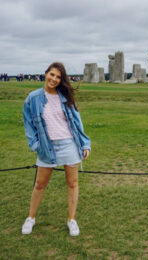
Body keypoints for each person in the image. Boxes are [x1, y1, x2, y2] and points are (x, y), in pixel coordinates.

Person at [22, 62, 91, 236]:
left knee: (72, 183)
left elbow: (77, 122)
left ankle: (72, 219)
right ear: (46, 74)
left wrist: (84, 144)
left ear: (61, 80)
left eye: (58, 77)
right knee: (40, 184)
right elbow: (28, 124)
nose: (54, 79)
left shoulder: (64, 97)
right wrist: (35, 145)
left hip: (69, 144)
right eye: (52, 75)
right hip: (47, 146)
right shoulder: (33, 97)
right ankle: (31, 218)